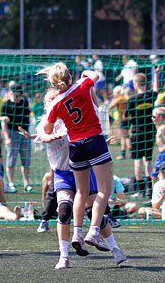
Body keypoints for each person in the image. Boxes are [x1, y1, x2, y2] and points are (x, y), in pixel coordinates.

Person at [23, 92, 125, 268]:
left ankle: (115, 249)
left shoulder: (72, 120)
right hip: (62, 174)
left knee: (95, 214)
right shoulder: (45, 124)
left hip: (84, 171)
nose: (53, 103)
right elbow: (43, 135)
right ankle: (64, 256)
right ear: (47, 106)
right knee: (63, 210)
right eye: (50, 101)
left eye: (56, 99)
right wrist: (50, 137)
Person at [39, 62, 114, 253]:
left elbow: (46, 129)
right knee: (104, 190)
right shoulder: (82, 85)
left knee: (81, 192)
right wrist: (83, 74)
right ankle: (94, 230)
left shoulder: (56, 103)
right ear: (69, 77)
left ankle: (77, 233)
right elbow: (95, 75)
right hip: (94, 140)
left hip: (75, 146)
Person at [125, 72, 159, 198]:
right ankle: (150, 189)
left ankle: (140, 191)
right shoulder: (151, 96)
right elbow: (156, 90)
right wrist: (156, 74)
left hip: (137, 133)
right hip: (150, 132)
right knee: (148, 161)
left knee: (138, 161)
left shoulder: (132, 99)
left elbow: (126, 116)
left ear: (135, 84)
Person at [2, 82, 33, 193]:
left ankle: (27, 184)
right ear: (12, 93)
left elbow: (29, 113)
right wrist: (7, 138)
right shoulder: (6, 105)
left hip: (25, 134)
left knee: (26, 160)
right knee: (11, 160)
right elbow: (3, 123)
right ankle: (11, 183)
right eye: (16, 94)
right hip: (12, 133)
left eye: (20, 93)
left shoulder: (24, 102)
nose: (19, 96)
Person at [108, 85, 130, 160]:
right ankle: (123, 153)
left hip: (123, 119)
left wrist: (113, 99)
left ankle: (132, 152)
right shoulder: (124, 98)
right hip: (127, 119)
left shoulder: (119, 98)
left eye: (114, 92)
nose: (113, 94)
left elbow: (110, 106)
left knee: (125, 136)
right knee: (124, 137)